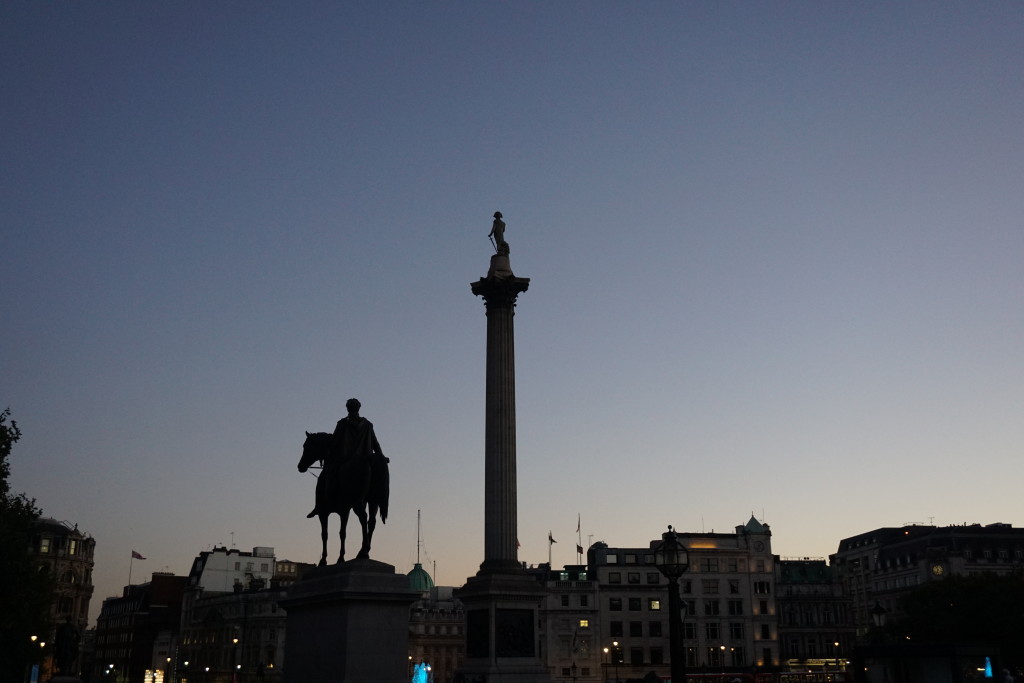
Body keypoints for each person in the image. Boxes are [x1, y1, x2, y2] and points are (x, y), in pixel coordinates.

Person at [307, 398, 387, 518]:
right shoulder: (368, 425)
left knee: (323, 478)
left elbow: (334, 443)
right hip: (366, 458)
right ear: (358, 408)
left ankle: (318, 506)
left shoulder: (342, 423)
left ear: (347, 408)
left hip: (345, 458)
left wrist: (328, 453)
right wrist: (381, 456)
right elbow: (375, 444)